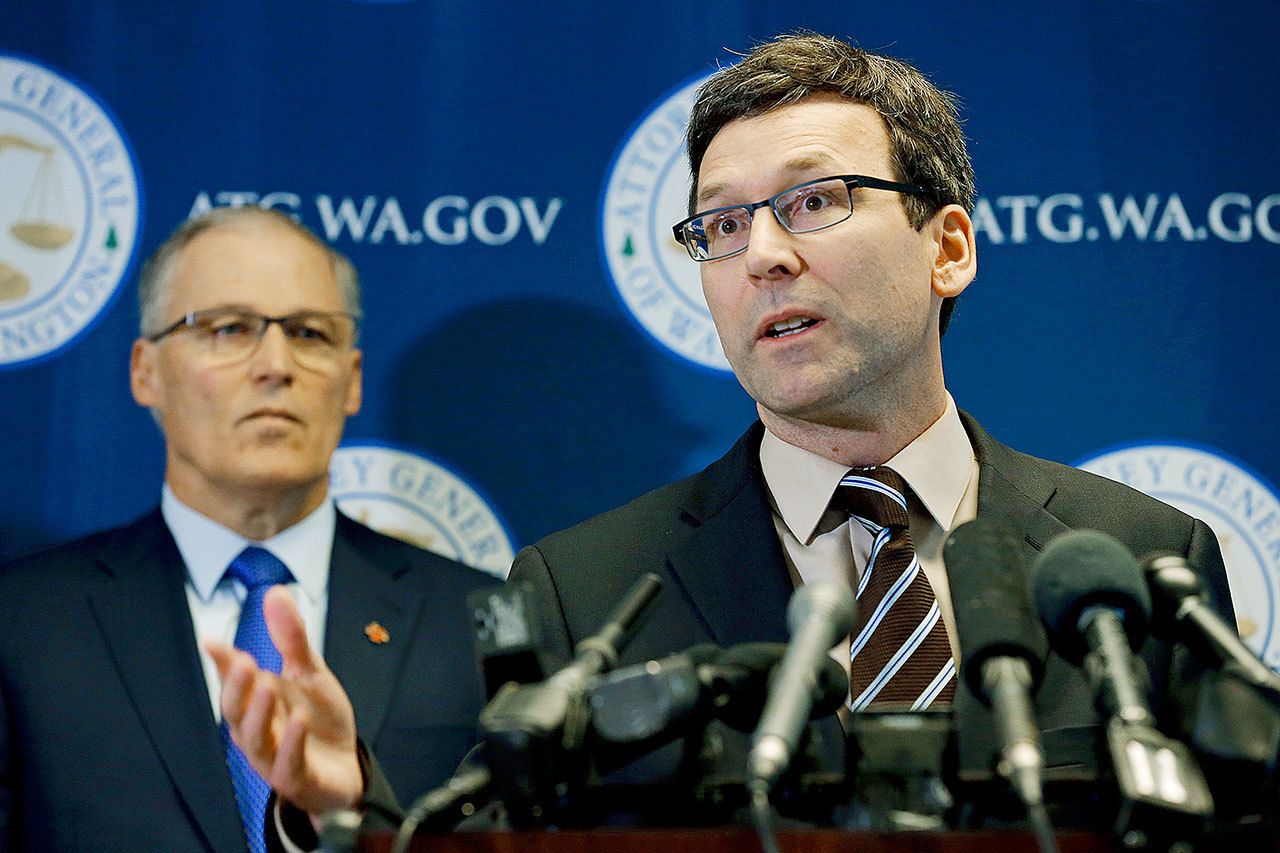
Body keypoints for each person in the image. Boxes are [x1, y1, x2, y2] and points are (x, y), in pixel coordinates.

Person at [229, 32, 1234, 837]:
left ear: (948, 247)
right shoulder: (586, 595)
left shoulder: (1135, 563)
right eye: (719, 224)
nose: (760, 254)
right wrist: (345, 811)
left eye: (813, 201)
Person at [0, 207, 499, 852]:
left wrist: (343, 814)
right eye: (228, 328)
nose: (275, 365)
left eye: (310, 333)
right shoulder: (23, 623)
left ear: (353, 381)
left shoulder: (472, 621)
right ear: (144, 371)